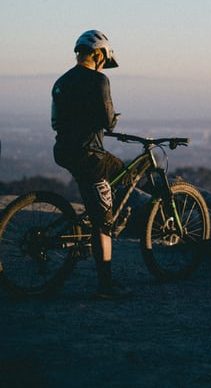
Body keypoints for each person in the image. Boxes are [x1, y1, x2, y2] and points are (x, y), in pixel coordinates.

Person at [51, 30, 129, 299]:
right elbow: (107, 121)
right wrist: (112, 120)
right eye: (103, 60)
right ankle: (106, 285)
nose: (104, 65)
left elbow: (57, 122)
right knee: (123, 175)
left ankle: (100, 213)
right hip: (89, 155)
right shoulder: (99, 80)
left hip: (63, 151)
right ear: (98, 54)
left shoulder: (61, 82)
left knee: (100, 183)